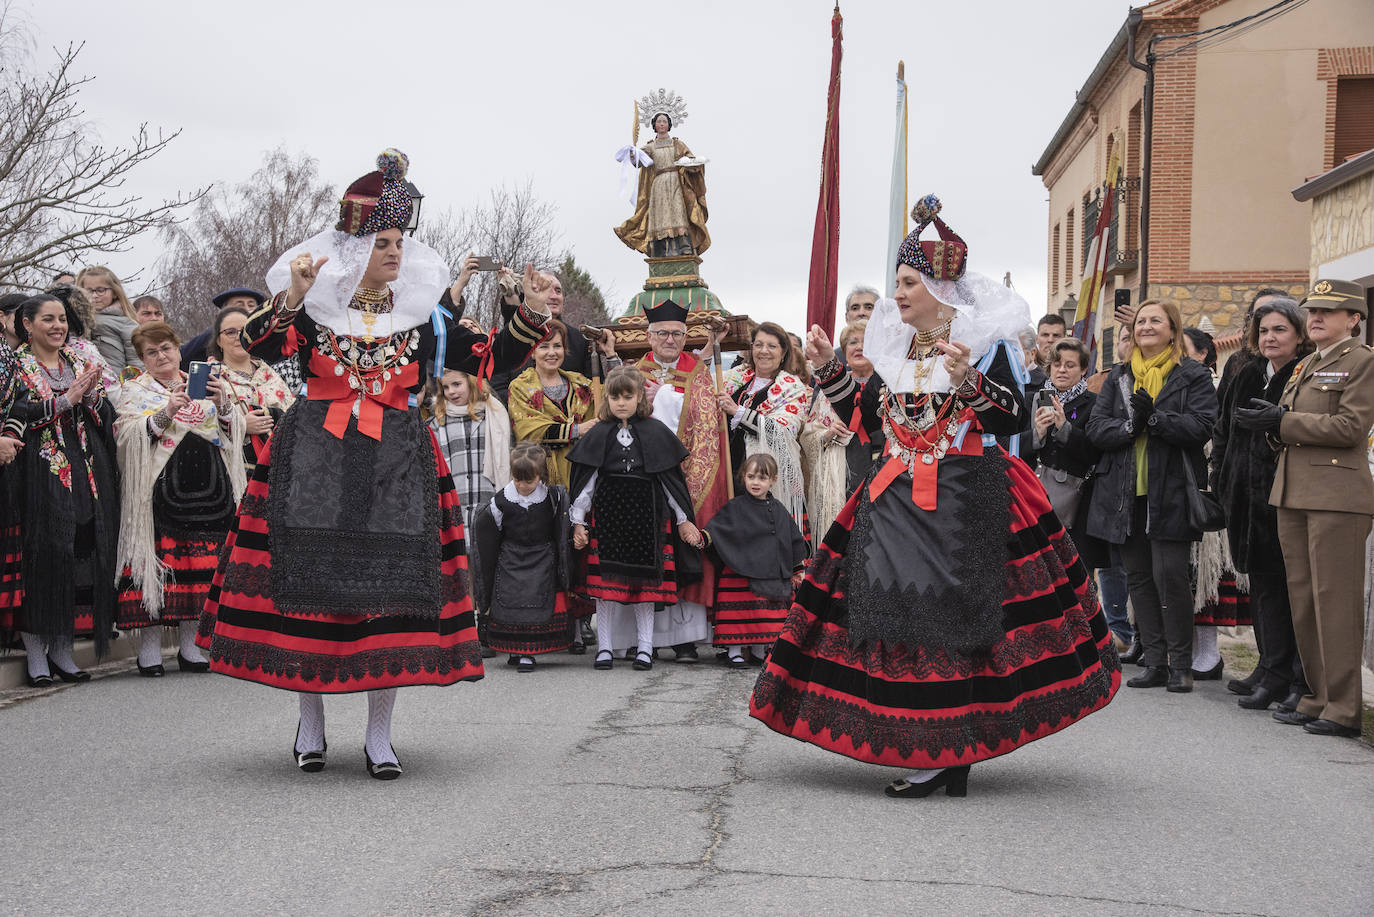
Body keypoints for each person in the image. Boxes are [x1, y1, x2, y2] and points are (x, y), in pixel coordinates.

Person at [196, 149, 551, 779]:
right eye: (382, 242)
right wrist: (291, 297)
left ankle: (380, 735)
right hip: (314, 457)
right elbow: (250, 345)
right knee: (308, 587)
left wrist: (526, 310)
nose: (395, 252)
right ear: (352, 250)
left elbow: (493, 360)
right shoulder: (310, 314)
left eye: (397, 241)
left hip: (397, 461)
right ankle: (310, 727)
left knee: (391, 593)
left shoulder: (422, 320)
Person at [752, 195, 1118, 797]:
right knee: (890, 612)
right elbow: (871, 419)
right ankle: (923, 742)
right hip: (895, 499)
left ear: (942, 290)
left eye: (907, 282)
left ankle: (946, 749)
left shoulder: (981, 344)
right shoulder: (901, 353)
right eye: (898, 282)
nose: (897, 295)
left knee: (951, 621)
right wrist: (828, 371)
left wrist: (968, 379)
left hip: (963, 499)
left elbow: (1008, 418)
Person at [1243, 279, 1374, 738]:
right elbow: (1291, 426)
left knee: (1333, 603)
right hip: (1294, 491)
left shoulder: (1361, 362)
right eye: (1313, 310)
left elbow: (1350, 427)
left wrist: (1283, 421)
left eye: (1328, 311)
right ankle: (1317, 696)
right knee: (1303, 602)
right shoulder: (1308, 366)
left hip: (1337, 496)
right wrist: (1271, 425)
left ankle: (1343, 707)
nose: (1315, 317)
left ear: (1354, 319)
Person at [1086, 299, 1218, 693]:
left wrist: (1156, 419)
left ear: (1172, 330)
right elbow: (1096, 427)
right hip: (1126, 492)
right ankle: (1155, 662)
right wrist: (1131, 427)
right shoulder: (1120, 376)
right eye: (1140, 321)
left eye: (1154, 320)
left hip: (1172, 490)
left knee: (1171, 578)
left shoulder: (1192, 374)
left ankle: (1181, 665)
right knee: (1140, 579)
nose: (1145, 326)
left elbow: (1201, 425)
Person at [114, 322, 247, 676]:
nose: (161, 357)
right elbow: (127, 440)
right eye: (151, 353)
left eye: (166, 349)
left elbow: (235, 430)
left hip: (209, 484)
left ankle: (191, 646)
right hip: (159, 489)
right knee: (160, 565)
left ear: (178, 348)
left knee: (200, 569)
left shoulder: (205, 382)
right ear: (142, 358)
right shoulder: (134, 391)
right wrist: (166, 411)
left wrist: (223, 404)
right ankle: (149, 649)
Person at [2, 294, 119, 686]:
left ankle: (63, 652)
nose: (57, 326)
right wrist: (63, 402)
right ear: (27, 325)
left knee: (79, 550)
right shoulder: (15, 365)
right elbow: (13, 416)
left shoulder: (79, 362)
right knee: (42, 555)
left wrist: (88, 398)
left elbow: (107, 415)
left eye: (62, 319)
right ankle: (37, 655)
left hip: (84, 465)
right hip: (35, 471)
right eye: (48, 319)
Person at [1212, 296, 1312, 710]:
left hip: (1282, 495)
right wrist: (1219, 476)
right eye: (1264, 330)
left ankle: (1295, 675)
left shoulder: (1304, 372)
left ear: (1298, 334)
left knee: (1292, 589)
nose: (1270, 337)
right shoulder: (1248, 371)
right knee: (1263, 587)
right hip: (1243, 495)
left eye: (1280, 330)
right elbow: (1223, 427)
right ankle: (1269, 669)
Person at [568, 366, 702, 672]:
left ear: (640, 397)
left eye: (628, 396)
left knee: (646, 590)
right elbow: (587, 482)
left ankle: (644, 648)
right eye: (615, 397)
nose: (621, 403)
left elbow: (670, 482)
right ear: (608, 400)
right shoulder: (599, 433)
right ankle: (604, 648)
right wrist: (578, 521)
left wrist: (683, 519)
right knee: (605, 592)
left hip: (649, 522)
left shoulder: (655, 432)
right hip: (608, 520)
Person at [633, 300, 732, 662]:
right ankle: (643, 636)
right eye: (662, 333)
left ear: (685, 336)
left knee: (687, 548)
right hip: (645, 474)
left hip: (690, 471)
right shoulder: (636, 370)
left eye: (676, 333)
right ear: (649, 336)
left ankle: (685, 638)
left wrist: (663, 397)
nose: (669, 340)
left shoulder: (698, 371)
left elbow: (707, 413)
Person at [469, 443, 573, 672]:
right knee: (513, 603)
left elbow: (559, 529)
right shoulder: (501, 501)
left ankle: (528, 653)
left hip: (542, 559)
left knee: (536, 604)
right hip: (511, 561)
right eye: (518, 479)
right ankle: (516, 649)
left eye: (529, 481)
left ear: (540, 476)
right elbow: (489, 535)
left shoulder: (551, 498)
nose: (522, 485)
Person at [1181, 326, 1247, 680]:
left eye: (1185, 349)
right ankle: (1192, 651)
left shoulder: (1217, 387)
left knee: (1207, 575)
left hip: (1207, 485)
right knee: (1185, 575)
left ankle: (1208, 654)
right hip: (1179, 484)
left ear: (1205, 354)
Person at [703, 453, 808, 668]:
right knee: (738, 612)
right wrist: (703, 538)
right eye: (751, 477)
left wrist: (797, 567)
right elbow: (718, 529)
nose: (756, 482)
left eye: (762, 478)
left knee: (763, 613)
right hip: (738, 573)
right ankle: (734, 651)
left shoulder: (778, 509)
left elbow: (791, 537)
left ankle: (760, 651)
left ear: (773, 480)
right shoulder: (735, 506)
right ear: (743, 477)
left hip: (769, 574)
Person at [1028, 337, 1107, 581]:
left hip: (1077, 506)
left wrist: (1065, 429)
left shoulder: (1095, 404)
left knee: (1076, 577)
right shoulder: (1034, 399)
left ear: (1084, 369)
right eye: (1057, 364)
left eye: (1070, 365)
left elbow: (1095, 452)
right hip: (1036, 497)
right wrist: (1036, 435)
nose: (1062, 370)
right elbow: (1012, 447)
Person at [719, 322, 809, 530]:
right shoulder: (735, 377)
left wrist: (738, 412)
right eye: (758, 345)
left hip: (766, 476)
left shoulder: (793, 387)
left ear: (784, 351)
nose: (764, 351)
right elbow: (702, 390)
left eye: (771, 346)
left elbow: (782, 430)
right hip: (727, 471)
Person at [801, 318, 883, 543]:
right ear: (843, 351)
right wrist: (826, 434)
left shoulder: (887, 387)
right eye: (853, 342)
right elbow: (807, 435)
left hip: (876, 473)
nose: (859, 347)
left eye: (867, 342)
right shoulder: (826, 390)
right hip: (835, 481)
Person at [508, 320, 615, 488]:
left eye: (557, 346)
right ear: (532, 352)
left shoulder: (580, 383)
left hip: (583, 476)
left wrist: (610, 354)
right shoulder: (520, 387)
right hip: (540, 478)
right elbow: (530, 432)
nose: (552, 352)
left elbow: (615, 395)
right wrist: (578, 430)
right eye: (544, 346)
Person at [615, 95, 709, 258]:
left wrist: (693, 166)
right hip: (658, 185)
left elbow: (690, 160)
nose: (662, 124)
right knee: (661, 216)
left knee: (678, 212)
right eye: (659, 122)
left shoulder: (678, 144)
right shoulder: (650, 146)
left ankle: (684, 245)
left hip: (676, 184)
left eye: (664, 121)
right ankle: (662, 247)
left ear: (669, 125)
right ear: (654, 125)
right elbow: (640, 162)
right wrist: (633, 155)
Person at [208, 303, 295, 478]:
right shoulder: (211, 377)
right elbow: (200, 428)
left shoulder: (271, 374)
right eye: (230, 332)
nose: (238, 337)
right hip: (234, 473)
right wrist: (242, 426)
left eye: (244, 330)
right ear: (218, 341)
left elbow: (294, 415)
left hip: (280, 470)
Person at [427, 368, 511, 533]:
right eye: (446, 387)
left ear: (471, 382)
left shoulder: (493, 415)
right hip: (454, 505)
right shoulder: (437, 423)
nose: (451, 392)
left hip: (488, 500)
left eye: (457, 384)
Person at [180, 288, 268, 370]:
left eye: (251, 305)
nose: (247, 310)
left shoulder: (265, 333)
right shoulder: (213, 334)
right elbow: (182, 356)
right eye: (240, 305)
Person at [77, 265, 143, 375]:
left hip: (114, 383)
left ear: (115, 292)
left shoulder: (126, 323)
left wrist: (134, 386)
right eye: (88, 291)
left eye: (100, 290)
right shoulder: (76, 319)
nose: (94, 295)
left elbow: (136, 361)